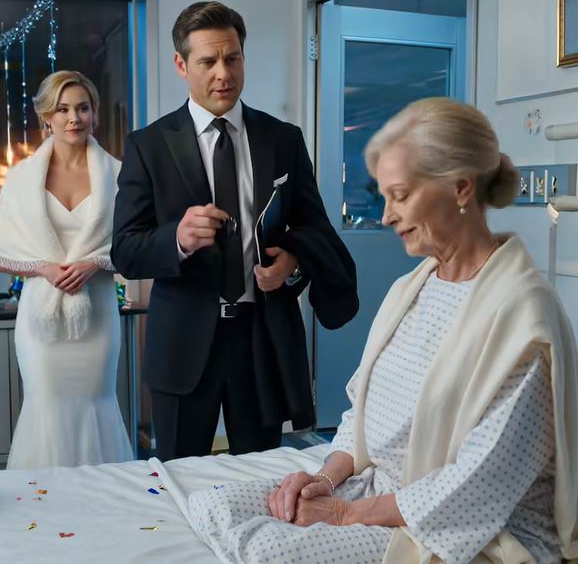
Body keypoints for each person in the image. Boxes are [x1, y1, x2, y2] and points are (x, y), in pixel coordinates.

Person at [184, 98, 578, 564]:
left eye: (401, 195)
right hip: (381, 489)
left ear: (461, 188)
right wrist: (325, 479)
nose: (387, 216)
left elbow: (480, 485)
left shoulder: (522, 317)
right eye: (385, 197)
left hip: (459, 524)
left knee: (267, 550)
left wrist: (345, 514)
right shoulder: (413, 288)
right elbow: (364, 411)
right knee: (210, 504)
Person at [111, 1, 358, 460]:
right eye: (208, 61)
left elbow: (315, 227)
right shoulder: (148, 146)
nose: (223, 73)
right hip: (182, 345)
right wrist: (177, 240)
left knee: (260, 479)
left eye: (233, 58)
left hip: (260, 340)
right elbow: (124, 251)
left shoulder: (283, 139)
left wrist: (293, 262)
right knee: (179, 479)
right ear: (181, 65)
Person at [0, 70, 133, 468]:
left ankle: (104, 497)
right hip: (41, 323)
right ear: (46, 117)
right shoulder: (21, 178)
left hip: (97, 316)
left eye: (82, 108)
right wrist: (45, 269)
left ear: (94, 113)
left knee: (98, 402)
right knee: (45, 405)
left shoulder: (118, 175)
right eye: (62, 109)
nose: (73, 118)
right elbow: (0, 253)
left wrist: (95, 262)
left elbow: (133, 244)